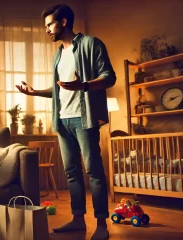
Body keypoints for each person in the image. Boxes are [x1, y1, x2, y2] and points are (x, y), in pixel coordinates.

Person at [16, 4, 116, 240]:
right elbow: (60, 90)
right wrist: (34, 92)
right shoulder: (58, 55)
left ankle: (101, 225)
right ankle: (78, 220)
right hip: (63, 120)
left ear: (63, 22)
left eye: (49, 24)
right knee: (72, 173)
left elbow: (108, 77)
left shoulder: (92, 44)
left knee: (94, 172)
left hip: (85, 118)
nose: (47, 30)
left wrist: (84, 85)